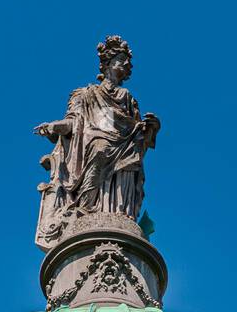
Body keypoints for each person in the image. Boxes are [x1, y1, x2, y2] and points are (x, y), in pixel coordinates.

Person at [34, 36, 160, 249]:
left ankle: (119, 211)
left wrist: (150, 128)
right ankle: (86, 207)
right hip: (93, 143)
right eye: (121, 60)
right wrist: (54, 126)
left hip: (125, 147)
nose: (126, 65)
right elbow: (73, 122)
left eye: (127, 62)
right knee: (100, 146)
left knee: (128, 157)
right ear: (109, 63)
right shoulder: (86, 94)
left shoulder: (127, 97)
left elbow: (136, 133)